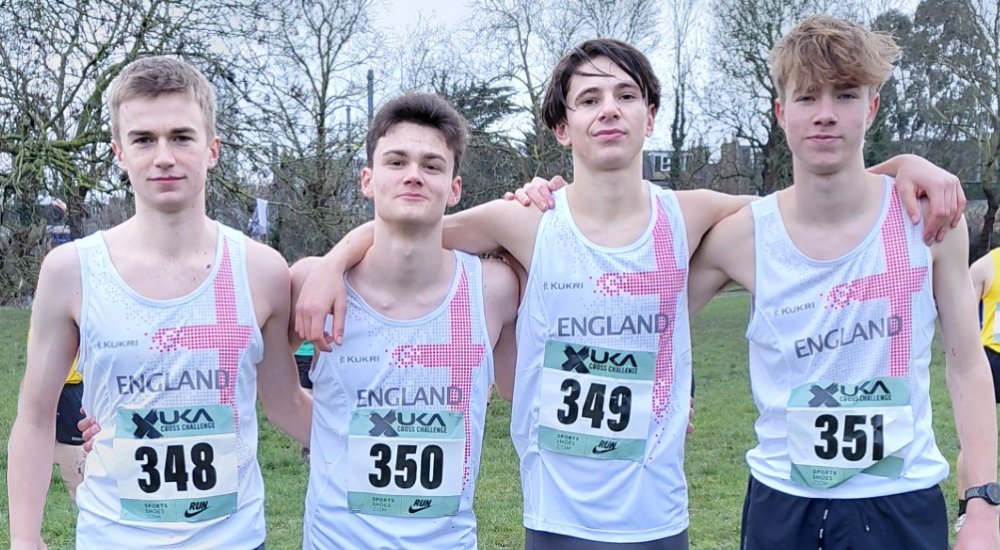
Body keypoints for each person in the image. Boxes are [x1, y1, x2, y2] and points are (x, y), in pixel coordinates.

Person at [295, 38, 965, 547]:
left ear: (650, 115)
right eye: (588, 100)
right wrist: (332, 261)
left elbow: (817, 195)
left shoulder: (694, 214)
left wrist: (903, 165)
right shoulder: (523, 223)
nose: (608, 109)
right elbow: (410, 222)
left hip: (657, 516)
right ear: (562, 128)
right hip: (555, 515)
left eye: (624, 94)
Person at [687, 15, 999, 549]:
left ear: (872, 107)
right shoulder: (742, 238)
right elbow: (654, 315)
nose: (826, 113)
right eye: (807, 97)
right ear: (781, 113)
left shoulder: (931, 223)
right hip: (783, 506)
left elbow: (967, 364)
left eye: (846, 94)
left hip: (903, 502)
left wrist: (984, 503)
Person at [8, 56, 311, 550]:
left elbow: (288, 404)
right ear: (119, 153)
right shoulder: (71, 271)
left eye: (181, 137)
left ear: (212, 149)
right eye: (144, 139)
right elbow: (36, 417)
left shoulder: (261, 270)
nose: (163, 156)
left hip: (234, 540)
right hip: (114, 538)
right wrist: (25, 538)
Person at [290, 92, 519, 549]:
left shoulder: (495, 289)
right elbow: (267, 391)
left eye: (432, 165)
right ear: (368, 179)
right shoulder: (310, 283)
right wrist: (338, 438)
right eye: (396, 162)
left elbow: (524, 389)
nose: (413, 174)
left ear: (454, 188)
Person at [960, 246, 1000, 524]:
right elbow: (961, 317)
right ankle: (966, 510)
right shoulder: (986, 266)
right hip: (989, 360)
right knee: (975, 439)